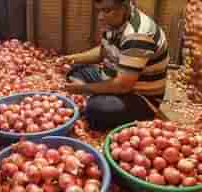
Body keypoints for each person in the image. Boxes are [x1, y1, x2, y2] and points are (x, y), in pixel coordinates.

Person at [62, 0, 169, 131]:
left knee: (96, 110)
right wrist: (74, 58)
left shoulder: (137, 35)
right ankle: (96, 96)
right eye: (98, 10)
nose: (100, 17)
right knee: (74, 69)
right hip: (114, 78)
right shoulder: (114, 22)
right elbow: (103, 51)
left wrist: (84, 89)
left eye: (107, 11)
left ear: (124, 7)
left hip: (139, 96)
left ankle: (98, 102)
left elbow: (123, 86)